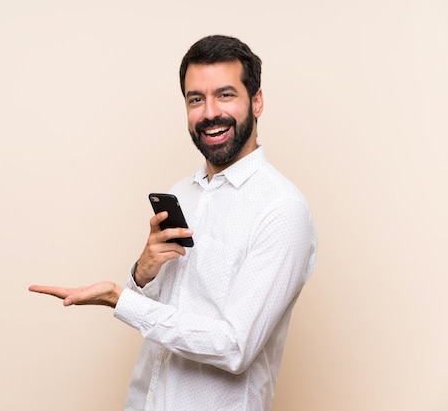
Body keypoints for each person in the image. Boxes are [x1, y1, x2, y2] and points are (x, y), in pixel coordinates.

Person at [29, 34, 317, 411]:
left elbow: (234, 347)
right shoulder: (182, 193)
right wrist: (141, 275)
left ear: (257, 101)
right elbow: (167, 313)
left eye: (225, 95)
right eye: (196, 99)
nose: (210, 112)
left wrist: (120, 299)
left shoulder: (282, 210)